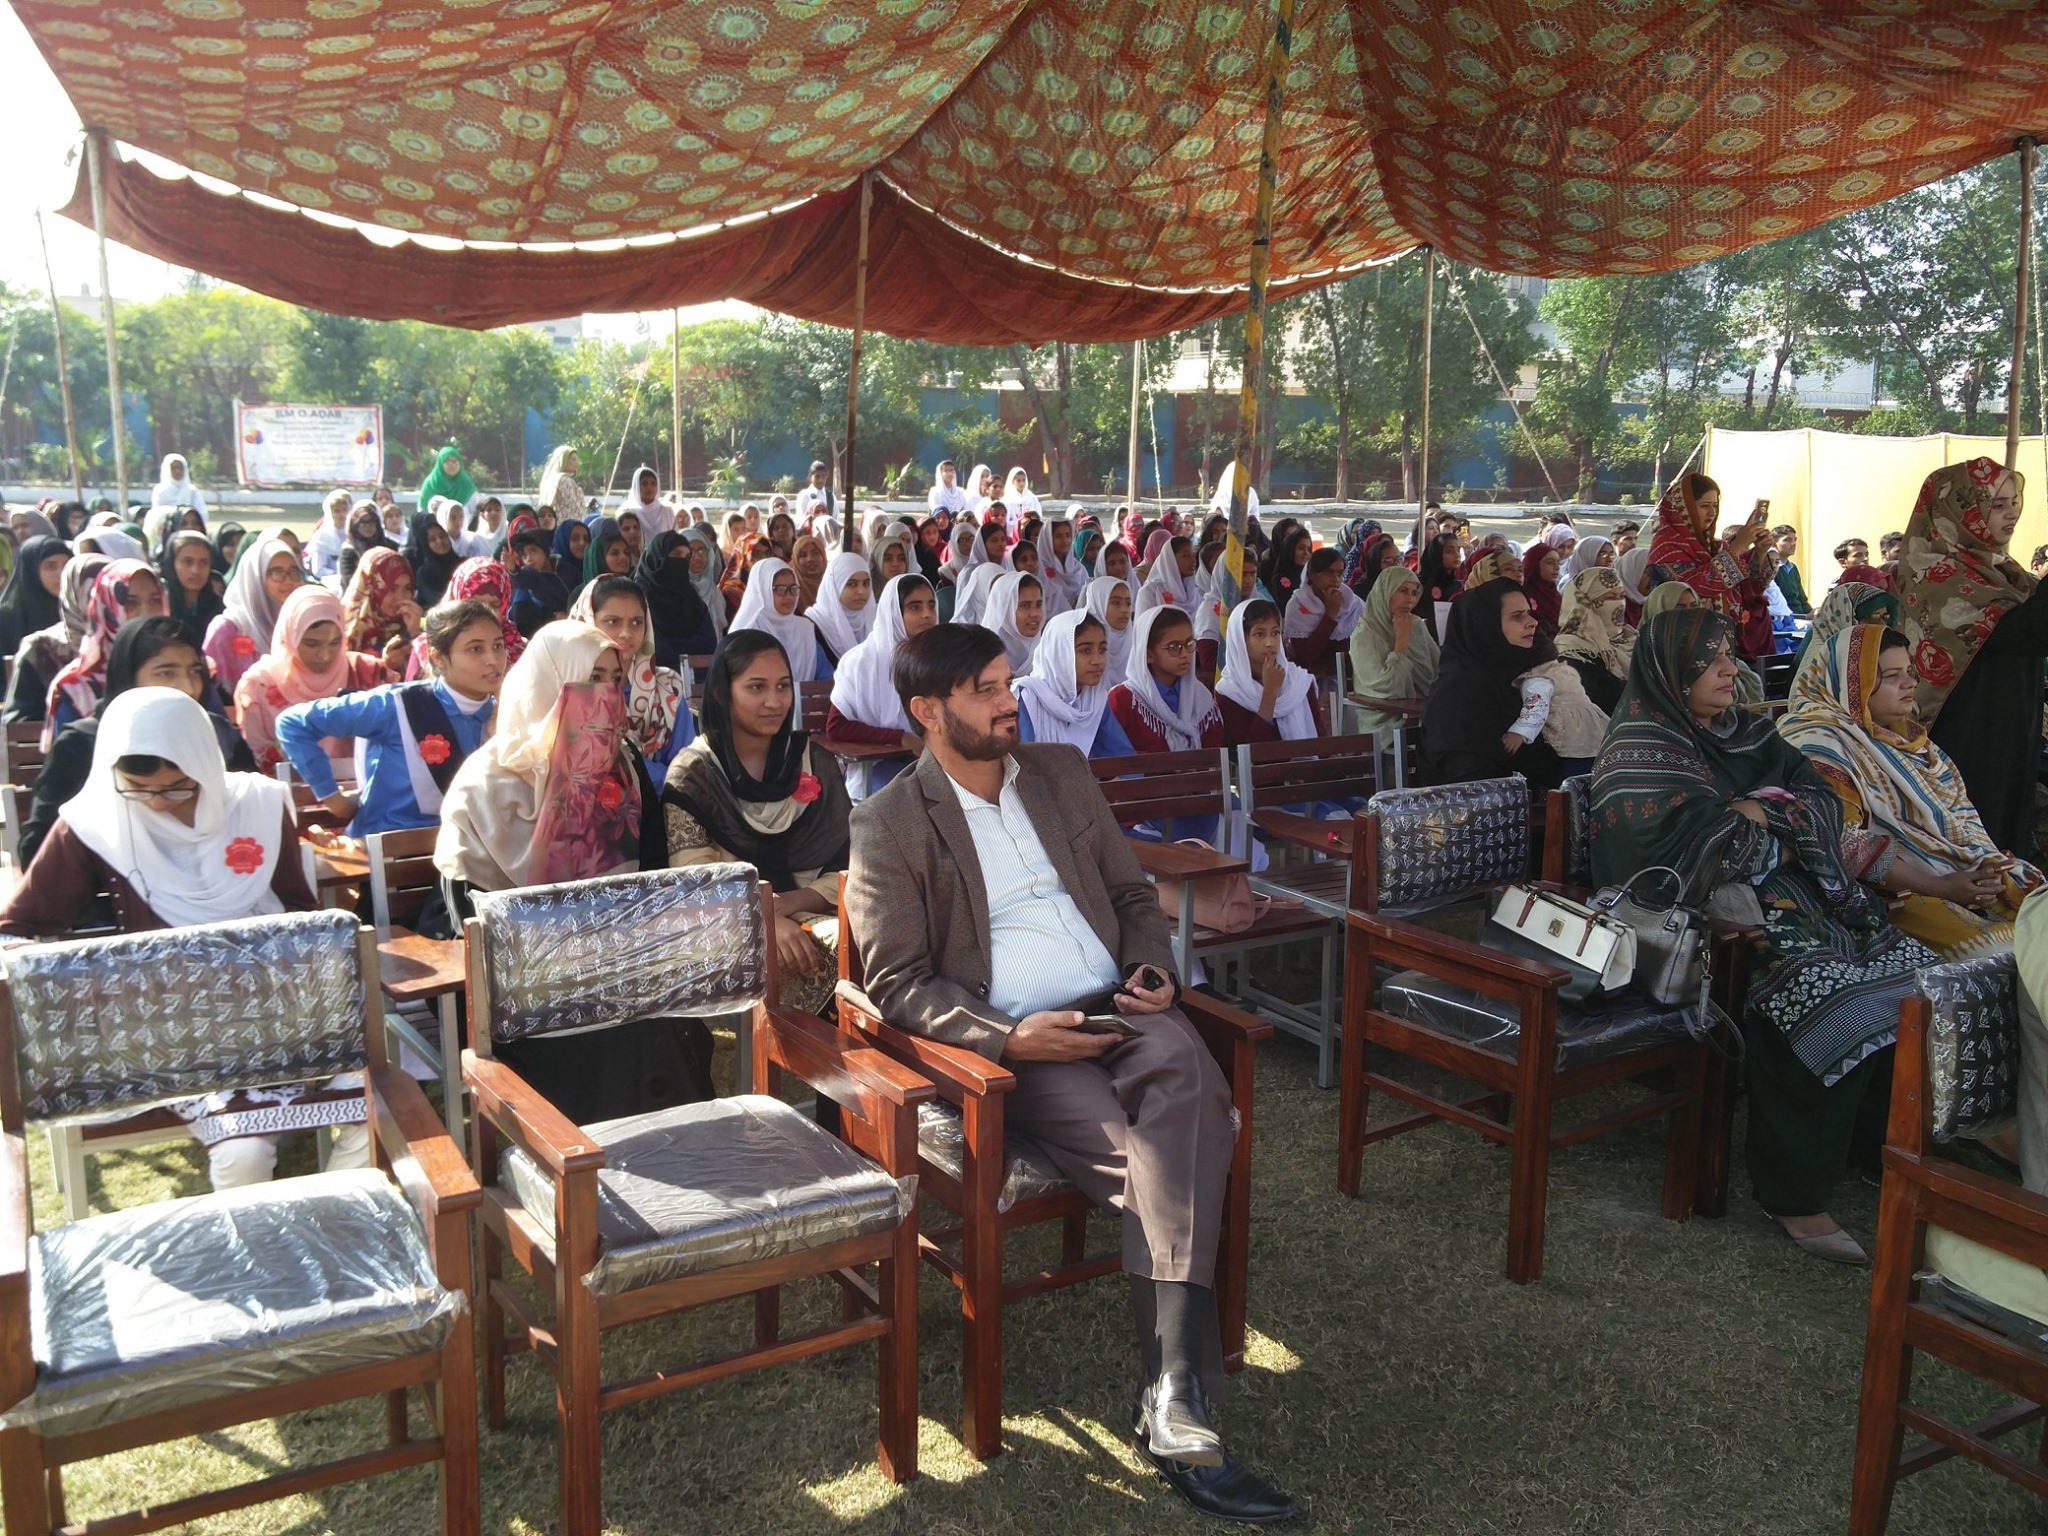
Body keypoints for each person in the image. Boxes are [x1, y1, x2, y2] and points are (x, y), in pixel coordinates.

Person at [845, 623, 1296, 1525]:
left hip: (1123, 1006)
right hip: (1029, 1045)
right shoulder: (888, 821)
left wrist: (1152, 967)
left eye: (1007, 682)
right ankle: (1177, 1402)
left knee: (1189, 1076)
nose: (1007, 701)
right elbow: (896, 981)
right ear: (928, 711)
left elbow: (1129, 896)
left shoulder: (1059, 772)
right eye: (983, 690)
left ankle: (1171, 1396)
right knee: (1169, 1155)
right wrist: (1009, 1039)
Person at [1591, 608, 1937, 1264]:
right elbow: (1676, 860)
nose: (1731, 669)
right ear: (1672, 670)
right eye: (1711, 659)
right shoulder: (1641, 748)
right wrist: (1776, 819)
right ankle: (1794, 1193)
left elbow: (1822, 798)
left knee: (1914, 976)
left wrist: (1761, 809)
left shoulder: (1745, 732)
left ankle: (1871, 1145)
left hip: (1796, 902)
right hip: (1699, 928)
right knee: (1822, 996)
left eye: (1730, 653)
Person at [2, 686, 371, 1188]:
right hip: (173, 1024)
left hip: (277, 1006)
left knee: (374, 1105)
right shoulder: (95, 821)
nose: (157, 802)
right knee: (243, 1151)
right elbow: (17, 927)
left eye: (178, 787)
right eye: (137, 788)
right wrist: (74, 980)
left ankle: (325, 1217)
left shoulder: (257, 805)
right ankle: (269, 1238)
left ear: (204, 766)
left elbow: (298, 908)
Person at [438, 622, 711, 1120]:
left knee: (666, 1026)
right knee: (610, 1039)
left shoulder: (621, 767)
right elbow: (467, 911)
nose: (604, 695)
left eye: (613, 679)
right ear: (548, 682)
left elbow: (653, 874)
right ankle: (585, 1155)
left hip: (622, 960)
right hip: (525, 980)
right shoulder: (484, 784)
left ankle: (673, 1150)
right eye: (589, 679)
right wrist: (569, 955)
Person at [1779, 623, 2036, 959]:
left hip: (1950, 878)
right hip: (1882, 895)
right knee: (2006, 952)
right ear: (1849, 685)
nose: (1910, 682)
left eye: (1909, 672)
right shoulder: (1819, 744)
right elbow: (1838, 842)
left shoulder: (1911, 743)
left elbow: (1957, 818)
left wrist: (1983, 869)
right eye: (1891, 676)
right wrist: (1944, 886)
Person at [665, 630, 854, 1015]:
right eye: (756, 687)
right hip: (728, 922)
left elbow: (850, 861)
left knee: (877, 934)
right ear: (722, 693)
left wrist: (788, 904)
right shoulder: (694, 775)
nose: (774, 701)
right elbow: (697, 884)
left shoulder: (812, 760)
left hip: (812, 905)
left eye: (783, 686)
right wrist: (763, 918)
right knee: (844, 945)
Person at [1895, 458, 2048, 856]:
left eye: (2014, 502)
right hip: (1969, 731)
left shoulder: (2003, 571)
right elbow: (2019, 633)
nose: (2012, 513)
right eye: (1997, 505)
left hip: (2011, 723)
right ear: (1959, 511)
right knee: (1978, 838)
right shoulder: (1936, 570)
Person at [23, 616, 251, 867]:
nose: (188, 687)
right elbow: (39, 851)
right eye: (167, 673)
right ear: (129, 677)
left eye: (195, 671)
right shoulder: (81, 744)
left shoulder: (221, 736)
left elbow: (248, 820)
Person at [276, 598, 505, 837]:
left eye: (498, 646)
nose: (493, 659)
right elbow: (292, 723)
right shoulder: (398, 704)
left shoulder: (504, 712)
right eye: (476, 649)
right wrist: (334, 800)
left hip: (468, 851)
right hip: (386, 848)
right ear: (438, 657)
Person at [1417, 577, 1567, 791]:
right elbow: (1468, 780)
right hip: (1479, 805)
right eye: (1517, 616)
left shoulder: (1522, 673)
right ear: (1486, 626)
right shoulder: (1457, 692)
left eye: (1528, 613)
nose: (1532, 622)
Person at [235, 585, 389, 774]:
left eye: (335, 643)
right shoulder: (258, 686)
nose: (325, 655)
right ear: (291, 637)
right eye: (311, 644)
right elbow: (263, 761)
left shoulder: (367, 672)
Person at [1648, 473, 1772, 658]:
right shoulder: (1665, 547)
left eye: (1715, 505)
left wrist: (1760, 552)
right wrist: (1739, 545)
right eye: (1705, 506)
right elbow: (1697, 587)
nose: (1712, 513)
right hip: (1682, 644)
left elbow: (1748, 589)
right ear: (1683, 508)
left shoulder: (1717, 547)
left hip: (1723, 644)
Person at [44, 559, 166, 745]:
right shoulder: (77, 688)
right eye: (131, 603)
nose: (146, 612)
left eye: (155, 600)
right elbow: (70, 755)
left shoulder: (183, 666)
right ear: (106, 608)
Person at [1013, 607, 1135, 757]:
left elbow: (1123, 757)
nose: (1098, 660)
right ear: (1060, 654)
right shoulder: (1027, 698)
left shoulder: (1094, 700)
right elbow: (1024, 762)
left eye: (1102, 650)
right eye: (1086, 651)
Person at [1108, 606, 1222, 754]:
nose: (1185, 654)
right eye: (1173, 647)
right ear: (1148, 655)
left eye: (1189, 643)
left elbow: (1216, 754)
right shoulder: (1124, 700)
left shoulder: (1201, 697)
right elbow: (1111, 756)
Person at [6, 553, 104, 725]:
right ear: (74, 594)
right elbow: (20, 725)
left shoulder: (134, 644)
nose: (102, 604)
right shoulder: (41, 649)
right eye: (92, 594)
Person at [1216, 599, 1324, 745]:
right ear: (1240, 639)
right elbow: (1249, 751)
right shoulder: (1230, 692)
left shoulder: (1298, 681)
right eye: (1259, 634)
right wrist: (1270, 692)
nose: (1270, 643)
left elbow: (1321, 740)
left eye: (1275, 633)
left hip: (1306, 759)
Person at [1347, 564, 1438, 736]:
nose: (1410, 599)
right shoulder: (1364, 635)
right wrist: (1401, 641)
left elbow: (1437, 671)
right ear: (1385, 591)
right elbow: (1389, 689)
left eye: (1414, 593)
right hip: (1386, 722)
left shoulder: (1415, 624)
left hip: (1424, 713)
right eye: (1403, 591)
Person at [730, 556, 828, 681]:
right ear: (762, 590)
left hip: (804, 694)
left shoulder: (804, 629)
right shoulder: (745, 633)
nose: (789, 596)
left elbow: (826, 675)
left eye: (793, 588)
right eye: (780, 589)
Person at [633, 529, 720, 669]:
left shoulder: (693, 601)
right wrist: (686, 659)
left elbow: (709, 647)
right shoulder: (637, 600)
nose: (681, 562)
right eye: (676, 555)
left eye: (686, 557)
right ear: (657, 557)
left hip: (698, 678)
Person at [1551, 567, 1634, 714]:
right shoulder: (1572, 652)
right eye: (1610, 598)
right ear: (1585, 603)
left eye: (1622, 596)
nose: (1619, 604)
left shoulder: (1630, 637)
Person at [339, 545, 422, 676]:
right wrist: (383, 665)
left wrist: (415, 634)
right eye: (392, 589)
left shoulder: (408, 622)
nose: (400, 598)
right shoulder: (345, 629)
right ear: (371, 588)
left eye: (407, 588)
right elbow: (341, 677)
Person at [1282, 547, 1363, 672]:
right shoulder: (1298, 605)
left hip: (1348, 675)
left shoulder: (1351, 602)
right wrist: (1330, 616)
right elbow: (1304, 657)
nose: (1336, 580)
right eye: (1329, 573)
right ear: (1311, 574)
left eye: (1339, 574)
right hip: (1312, 677)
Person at [0, 535, 66, 661]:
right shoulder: (6, 619)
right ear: (32, 572)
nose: (61, 573)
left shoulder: (78, 612)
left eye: (67, 564)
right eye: (51, 566)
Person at [808, 551, 874, 665]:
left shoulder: (876, 618)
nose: (861, 591)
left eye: (866, 584)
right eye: (851, 584)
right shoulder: (813, 626)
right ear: (835, 585)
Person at [508, 528, 569, 636]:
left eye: (533, 551)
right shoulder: (530, 575)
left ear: (545, 550)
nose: (528, 559)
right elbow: (521, 579)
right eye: (524, 555)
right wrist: (513, 570)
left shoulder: (565, 568)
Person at [1083, 572, 1136, 682]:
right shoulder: (1080, 644)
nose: (1125, 610)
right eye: (1116, 603)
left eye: (1128, 603)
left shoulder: (1138, 643)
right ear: (1098, 604)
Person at [403, 511, 460, 608]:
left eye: (442, 536)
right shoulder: (425, 573)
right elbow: (436, 603)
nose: (439, 541)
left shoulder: (463, 564)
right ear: (426, 544)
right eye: (433, 539)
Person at [414, 443, 477, 514]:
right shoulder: (430, 484)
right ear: (440, 463)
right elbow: (421, 510)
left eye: (455, 461)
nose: (452, 464)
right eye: (448, 461)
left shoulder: (466, 484)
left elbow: (476, 511)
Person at [1519, 544, 1564, 637]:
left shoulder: (1555, 595)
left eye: (1558, 563)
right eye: (1550, 562)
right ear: (1534, 565)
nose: (1557, 567)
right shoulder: (1522, 596)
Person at [619, 463, 674, 537]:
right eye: (644, 484)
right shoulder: (627, 511)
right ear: (637, 486)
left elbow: (675, 537)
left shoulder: (666, 511)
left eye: (653, 484)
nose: (649, 488)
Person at [308, 489, 352, 579]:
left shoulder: (355, 534)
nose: (341, 514)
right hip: (330, 581)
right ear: (330, 513)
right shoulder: (322, 537)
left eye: (344, 510)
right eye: (337, 511)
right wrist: (340, 574)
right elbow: (318, 570)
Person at [536, 445, 584, 527]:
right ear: (563, 460)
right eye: (573, 459)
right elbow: (572, 509)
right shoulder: (565, 481)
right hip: (567, 528)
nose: (577, 463)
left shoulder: (548, 479)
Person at [149, 452, 208, 518]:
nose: (177, 471)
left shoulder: (192, 491)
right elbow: (157, 514)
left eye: (180, 468)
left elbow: (201, 513)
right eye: (173, 468)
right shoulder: (160, 490)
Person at [1771, 525, 1811, 615]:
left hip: (1800, 616)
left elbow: (1802, 599)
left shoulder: (1793, 568)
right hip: (1784, 616)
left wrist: (1812, 613)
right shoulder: (1771, 568)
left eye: (1795, 540)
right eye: (1787, 540)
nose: (1793, 544)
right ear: (1773, 543)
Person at [790, 532, 829, 614]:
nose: (810, 559)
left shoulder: (833, 579)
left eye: (815, 553)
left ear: (823, 555)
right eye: (803, 555)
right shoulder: (790, 585)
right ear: (796, 560)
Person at [1000, 466, 1042, 533]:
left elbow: (1038, 512)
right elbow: (1006, 519)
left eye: (1023, 480)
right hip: (1014, 531)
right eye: (1018, 481)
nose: (1022, 483)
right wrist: (1019, 522)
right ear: (1013, 481)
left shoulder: (1031, 497)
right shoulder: (1007, 499)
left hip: (1030, 529)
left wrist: (1031, 518)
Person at [795, 459, 834, 525]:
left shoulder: (831, 496)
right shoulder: (804, 495)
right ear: (810, 477)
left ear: (827, 476)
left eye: (823, 476)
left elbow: (835, 519)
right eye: (817, 476)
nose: (821, 480)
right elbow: (800, 520)